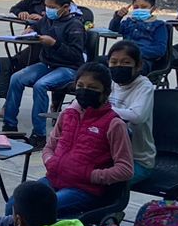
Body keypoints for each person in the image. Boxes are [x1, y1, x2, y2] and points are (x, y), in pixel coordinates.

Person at [39, 62, 134, 216]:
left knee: (42, 210)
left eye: (93, 88)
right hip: (54, 179)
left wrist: (90, 175)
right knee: (17, 204)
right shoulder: (67, 115)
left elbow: (125, 169)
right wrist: (51, 161)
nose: (85, 91)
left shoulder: (114, 124)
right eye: (80, 86)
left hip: (84, 189)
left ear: (105, 92)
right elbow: (49, 147)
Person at [0, 0, 87, 143]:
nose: (48, 10)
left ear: (65, 7)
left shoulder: (74, 26)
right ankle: (9, 125)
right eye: (47, 6)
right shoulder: (48, 19)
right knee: (16, 78)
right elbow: (37, 26)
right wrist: (30, 29)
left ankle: (39, 134)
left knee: (41, 85)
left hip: (69, 68)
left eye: (52, 7)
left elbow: (76, 55)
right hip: (48, 64)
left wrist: (54, 43)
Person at [106, 41, 157, 181]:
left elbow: (136, 116)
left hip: (137, 160)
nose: (118, 66)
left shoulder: (144, 86)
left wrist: (102, 110)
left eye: (126, 62)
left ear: (138, 65)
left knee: (100, 187)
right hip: (107, 156)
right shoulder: (109, 83)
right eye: (113, 62)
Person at [107, 0, 170, 70]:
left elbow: (159, 50)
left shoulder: (158, 25)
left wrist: (134, 53)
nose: (139, 9)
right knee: (99, 63)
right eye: (136, 7)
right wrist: (118, 17)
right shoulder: (129, 22)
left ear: (153, 9)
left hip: (143, 60)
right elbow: (113, 29)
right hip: (123, 57)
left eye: (144, 7)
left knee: (125, 69)